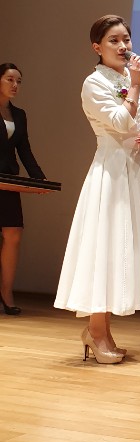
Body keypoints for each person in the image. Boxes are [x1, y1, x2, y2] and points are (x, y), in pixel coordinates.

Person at [54, 15, 140, 364]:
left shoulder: (128, 77)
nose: (123, 46)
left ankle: (104, 331)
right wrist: (136, 86)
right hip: (110, 172)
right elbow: (118, 122)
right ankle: (96, 332)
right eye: (114, 40)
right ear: (97, 47)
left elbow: (137, 122)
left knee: (121, 246)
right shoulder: (93, 83)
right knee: (105, 246)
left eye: (126, 39)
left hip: (133, 169)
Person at [0, 63, 46, 316]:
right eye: (10, 79)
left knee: (13, 234)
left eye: (19, 81)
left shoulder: (19, 114)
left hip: (8, 180)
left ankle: (6, 293)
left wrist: (39, 178)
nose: (15, 85)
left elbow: (24, 150)